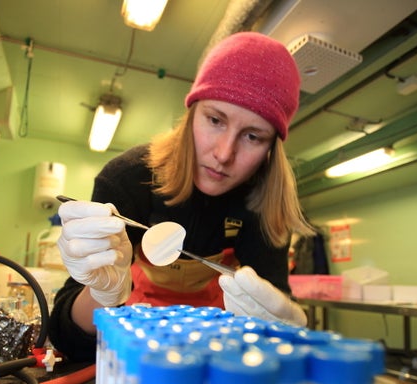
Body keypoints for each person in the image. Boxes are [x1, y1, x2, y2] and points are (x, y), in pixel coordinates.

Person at [49, 32, 314, 361]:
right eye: (215, 120)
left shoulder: (264, 206)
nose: (224, 154)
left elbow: (275, 307)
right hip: (138, 348)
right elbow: (65, 337)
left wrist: (284, 330)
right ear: (191, 113)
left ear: (271, 148)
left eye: (252, 136)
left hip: (215, 355)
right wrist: (101, 294)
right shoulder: (128, 180)